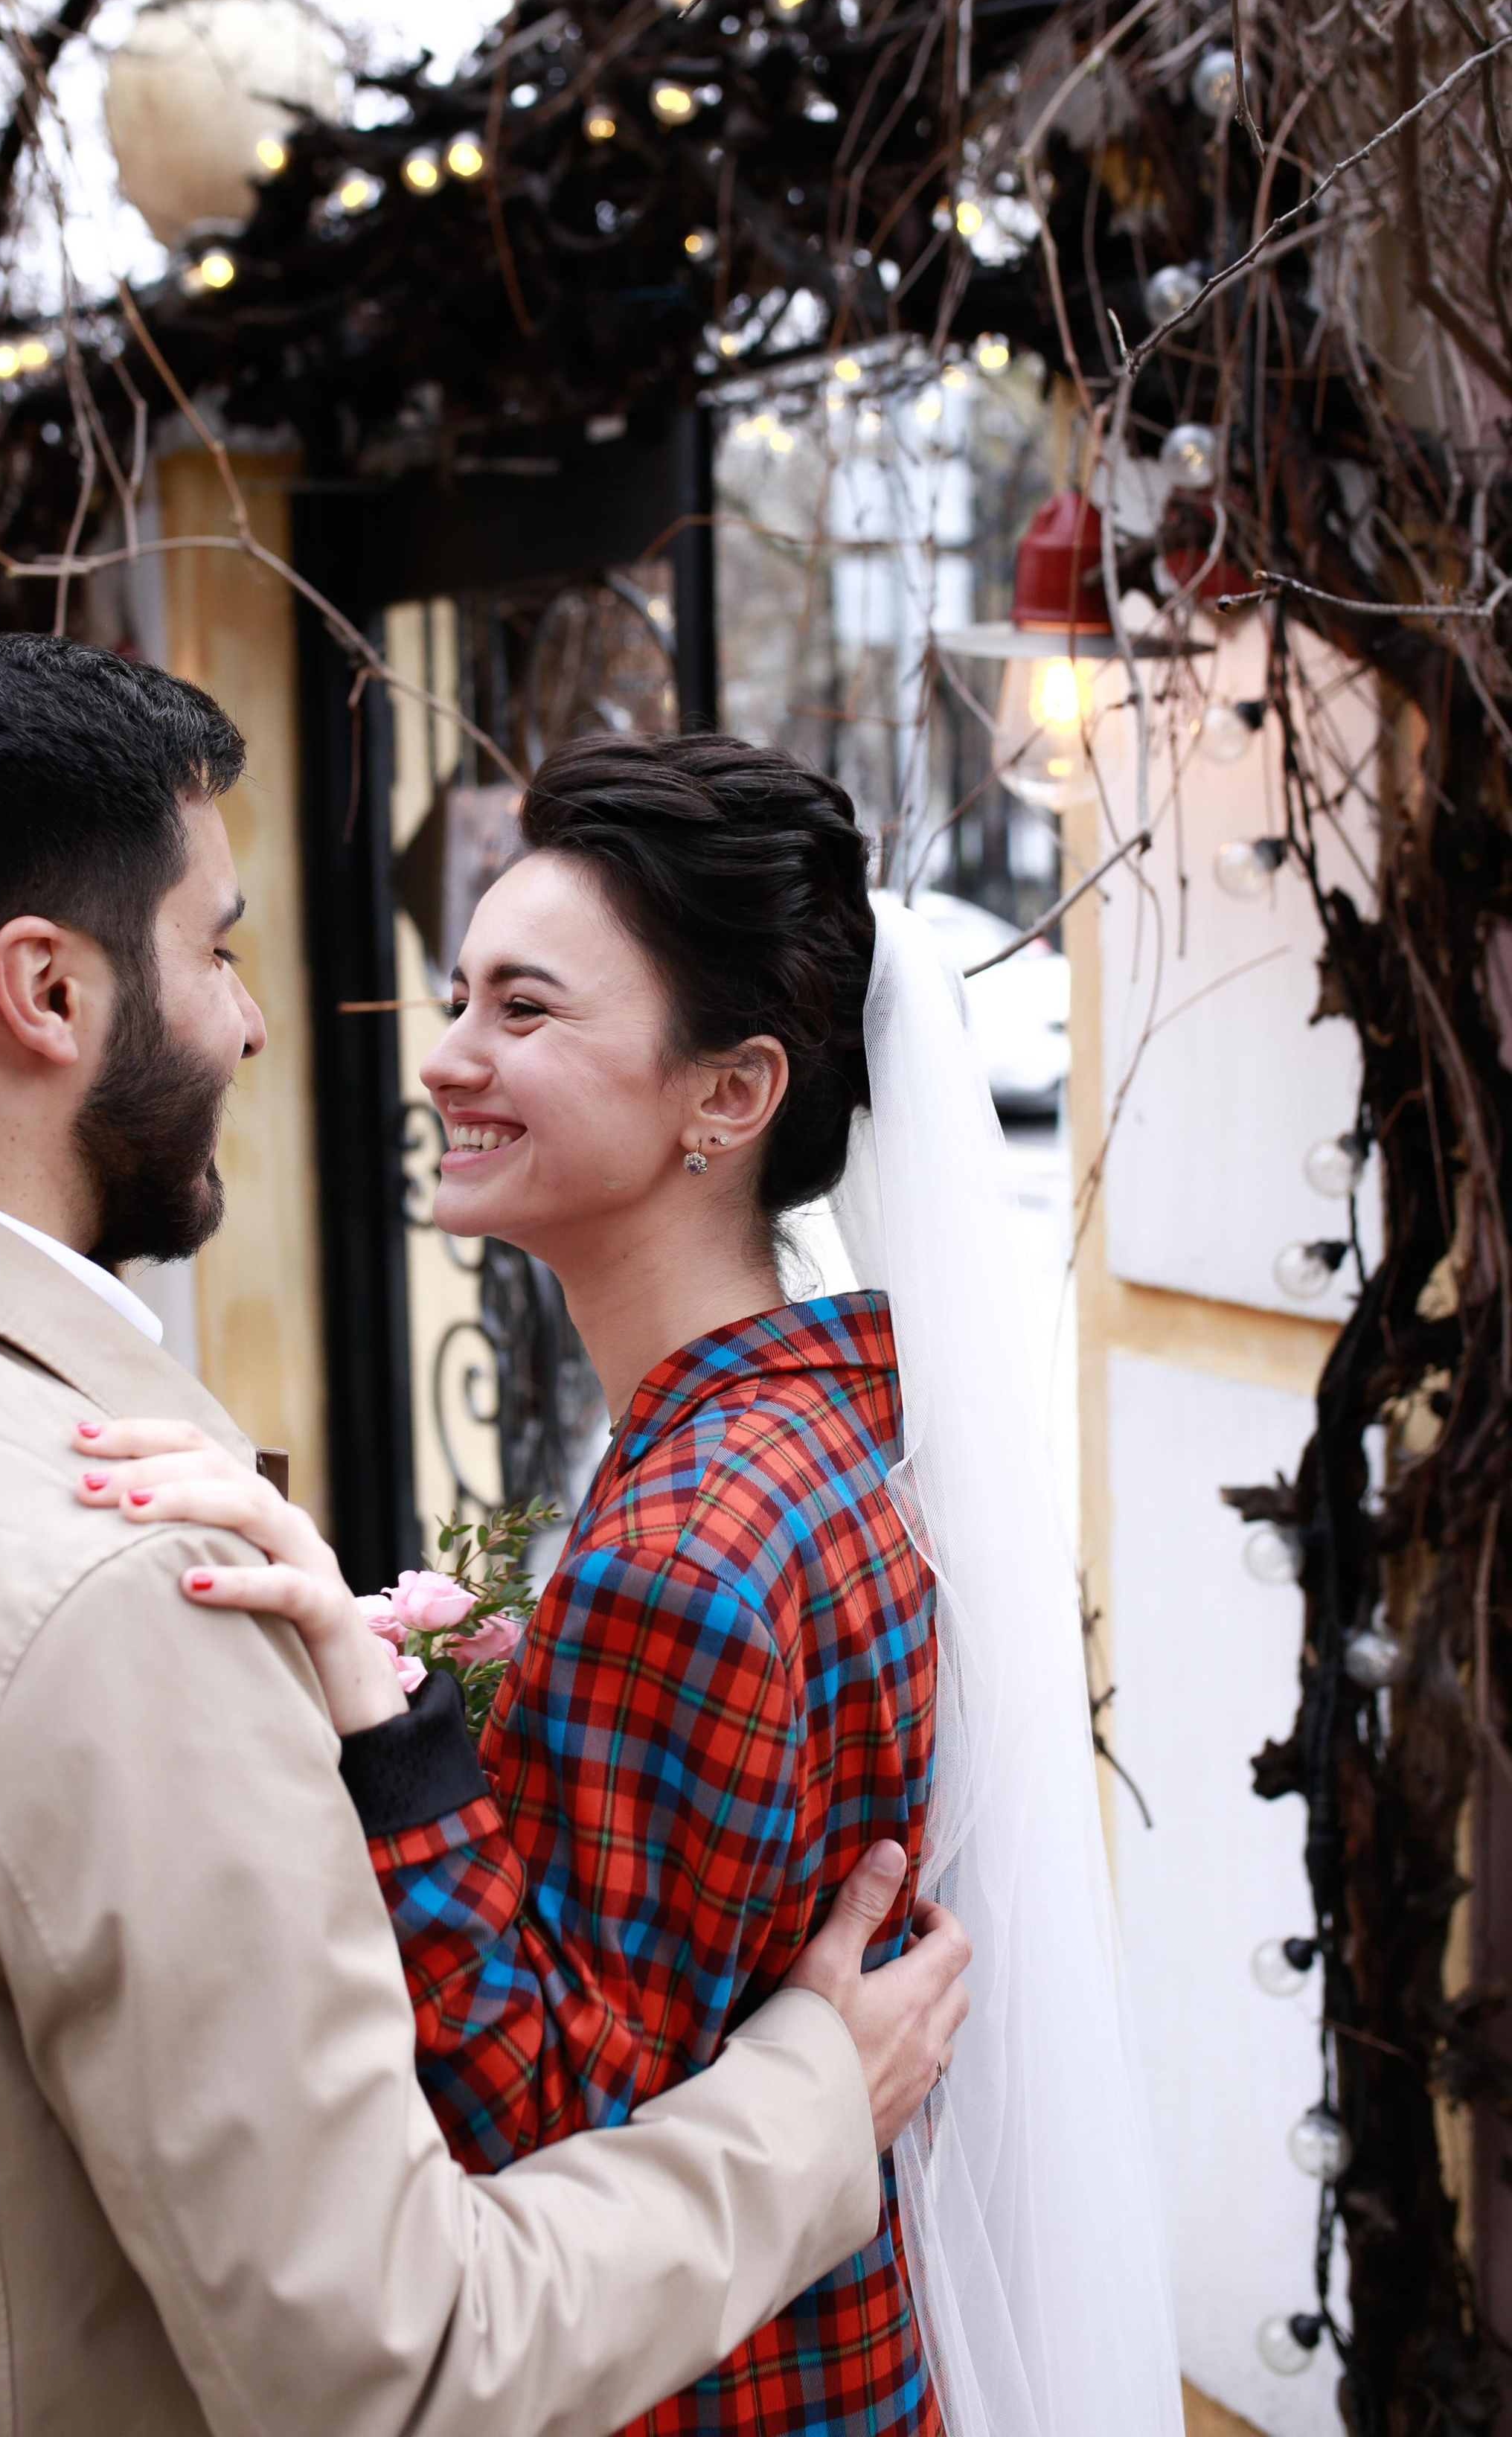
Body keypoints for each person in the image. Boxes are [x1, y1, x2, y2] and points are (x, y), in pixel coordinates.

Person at [0, 639, 970, 2437]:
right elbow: (392, 2361)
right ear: (49, 993)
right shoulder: (111, 1576)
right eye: (218, 948)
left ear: (735, 1094)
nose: (256, 1022)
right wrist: (812, 2096)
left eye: (523, 1007)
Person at [80, 733, 1184, 2437]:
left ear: (726, 1096)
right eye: (458, 998)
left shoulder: (689, 1548)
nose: (446, 1059)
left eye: (522, 1011)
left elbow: (558, 2123)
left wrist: (386, 1728)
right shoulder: (838, 1424)